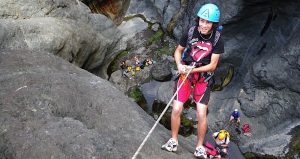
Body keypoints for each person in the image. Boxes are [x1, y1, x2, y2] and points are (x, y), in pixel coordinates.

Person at [161, 3, 224, 159]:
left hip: (203, 77)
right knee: (176, 109)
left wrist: (192, 70)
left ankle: (199, 147)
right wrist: (180, 65)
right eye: (202, 20)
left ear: (213, 24)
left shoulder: (217, 39)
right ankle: (173, 140)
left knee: (201, 114)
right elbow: (178, 51)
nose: (204, 24)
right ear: (198, 19)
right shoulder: (190, 32)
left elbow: (213, 65)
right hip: (186, 74)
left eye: (208, 22)